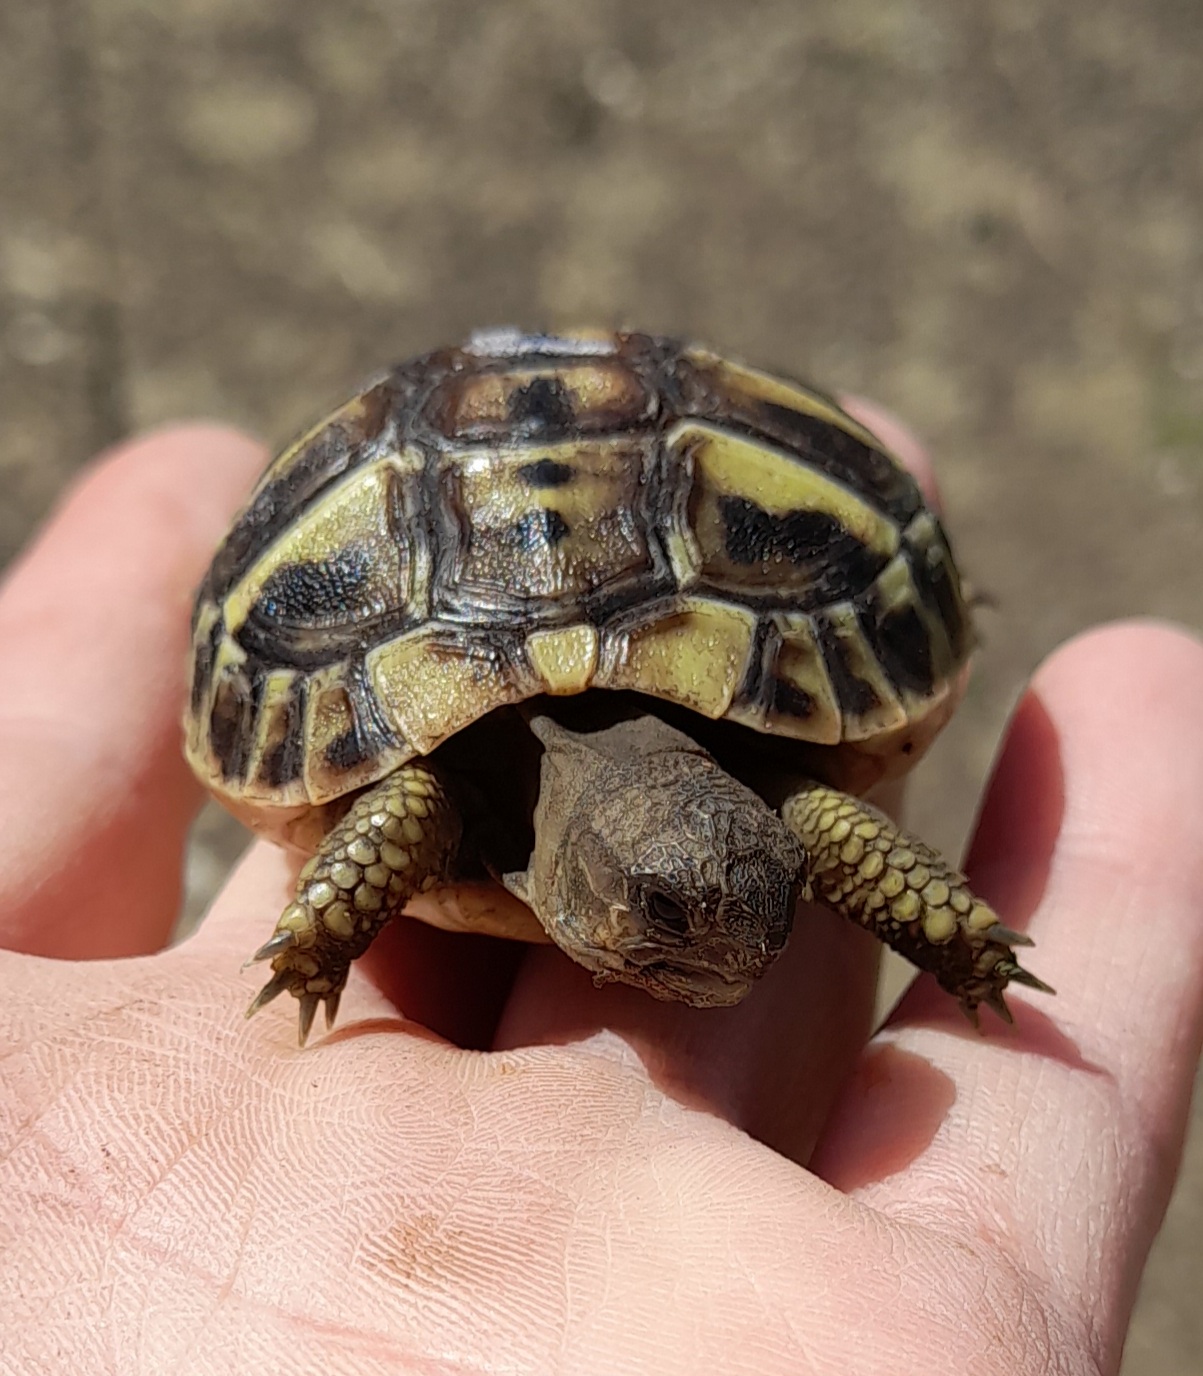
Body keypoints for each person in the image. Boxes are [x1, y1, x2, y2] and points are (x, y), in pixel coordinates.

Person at [0, 415, 1199, 1376]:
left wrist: (962, 941)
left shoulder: (783, 811)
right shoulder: (427, 804)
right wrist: (320, 937)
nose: (746, 953)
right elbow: (407, 808)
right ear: (597, 886)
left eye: (767, 898)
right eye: (679, 919)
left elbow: (815, 822)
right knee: (411, 812)